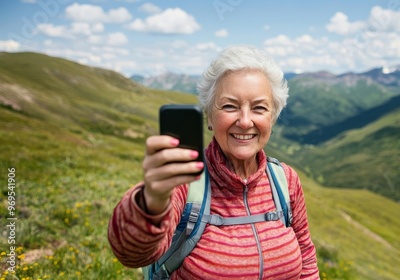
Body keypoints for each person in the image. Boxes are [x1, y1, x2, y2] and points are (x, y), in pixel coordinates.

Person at [108, 45, 319, 279]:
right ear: (209, 116)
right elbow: (132, 255)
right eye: (230, 106)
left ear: (272, 117)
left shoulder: (285, 180)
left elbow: (307, 260)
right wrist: (152, 200)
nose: (246, 121)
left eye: (259, 108)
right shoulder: (186, 182)